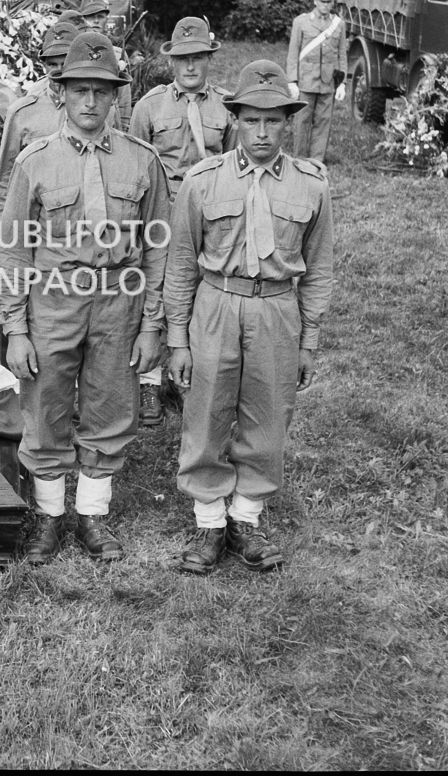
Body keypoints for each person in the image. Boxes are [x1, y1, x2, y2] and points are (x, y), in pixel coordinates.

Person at [0, 31, 172, 565]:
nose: (90, 102)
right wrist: (17, 329)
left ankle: (92, 514)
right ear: (61, 93)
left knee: (111, 404)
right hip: (54, 299)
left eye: (101, 91)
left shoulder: (143, 161)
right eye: (79, 91)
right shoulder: (35, 161)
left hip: (119, 298)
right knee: (45, 406)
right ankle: (49, 516)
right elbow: (12, 250)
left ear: (116, 95)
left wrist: (152, 325)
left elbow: (159, 246)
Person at [165, 59, 333, 575]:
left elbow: (320, 267)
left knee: (268, 413)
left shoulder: (311, 186)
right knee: (206, 410)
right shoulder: (202, 181)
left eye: (274, 120)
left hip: (277, 308)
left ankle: (247, 519)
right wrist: (177, 337)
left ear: (289, 123)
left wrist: (308, 339)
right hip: (216, 304)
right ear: (235, 119)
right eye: (251, 120)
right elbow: (180, 263)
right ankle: (210, 523)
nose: (262, 132)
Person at [129, 16, 236, 426]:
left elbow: (232, 164)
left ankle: (195, 373)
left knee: (203, 288)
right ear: (171, 62)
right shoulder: (149, 106)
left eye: (199, 59)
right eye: (183, 59)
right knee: (154, 289)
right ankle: (151, 382)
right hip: (162, 211)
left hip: (209, 214)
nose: (191, 67)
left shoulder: (226, 106)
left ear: (209, 59)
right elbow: (136, 164)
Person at [0, 18, 80, 217]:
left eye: (65, 63)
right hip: (38, 216)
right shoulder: (23, 112)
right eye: (52, 63)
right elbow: (6, 170)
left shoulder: (98, 108)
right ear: (43, 65)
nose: (58, 70)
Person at [286, 0, 347, 162]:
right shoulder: (301, 22)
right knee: (302, 122)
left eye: (329, 1)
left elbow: (342, 54)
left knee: (323, 122)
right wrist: (292, 81)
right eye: (322, 1)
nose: (326, 5)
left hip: (327, 82)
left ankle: (316, 161)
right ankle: (299, 160)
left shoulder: (338, 25)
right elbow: (293, 52)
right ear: (315, 1)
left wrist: (342, 82)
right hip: (306, 80)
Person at [79, 0, 132, 129]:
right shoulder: (74, 52)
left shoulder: (118, 54)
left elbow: (124, 96)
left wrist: (125, 127)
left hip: (111, 124)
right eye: (91, 16)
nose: (96, 21)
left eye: (100, 16)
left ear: (106, 19)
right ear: (83, 19)